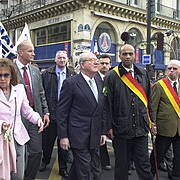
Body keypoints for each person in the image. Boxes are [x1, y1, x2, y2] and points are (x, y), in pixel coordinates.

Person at [0, 58, 44, 180]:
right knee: (1, 177)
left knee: (18, 176)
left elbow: (27, 111)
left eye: (6, 75)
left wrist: (38, 119)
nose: (2, 78)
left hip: (18, 139)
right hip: (0, 141)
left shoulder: (19, 89)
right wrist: (0, 124)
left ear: (12, 76)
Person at [103, 44, 154, 180]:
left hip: (141, 129)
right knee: (122, 166)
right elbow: (107, 104)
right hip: (121, 129)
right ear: (119, 56)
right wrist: (108, 127)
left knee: (144, 165)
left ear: (134, 55)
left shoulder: (143, 73)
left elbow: (149, 100)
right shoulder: (111, 76)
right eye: (124, 54)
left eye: (130, 54)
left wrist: (152, 121)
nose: (127, 56)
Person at [57, 52, 106, 179]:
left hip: (94, 134)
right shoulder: (71, 83)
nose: (96, 62)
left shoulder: (99, 81)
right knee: (85, 170)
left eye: (96, 60)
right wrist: (63, 136)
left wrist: (102, 132)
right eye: (92, 60)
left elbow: (102, 109)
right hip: (78, 135)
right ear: (82, 64)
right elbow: (62, 111)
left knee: (77, 168)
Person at [14, 40, 50, 180]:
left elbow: (41, 93)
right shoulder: (10, 70)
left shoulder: (35, 70)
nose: (33, 53)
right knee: (19, 154)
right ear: (20, 53)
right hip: (18, 118)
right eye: (30, 51)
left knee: (36, 152)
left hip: (35, 116)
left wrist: (45, 112)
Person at [40, 50, 76, 178]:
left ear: (67, 60)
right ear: (55, 60)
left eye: (64, 58)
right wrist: (45, 112)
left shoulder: (72, 74)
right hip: (50, 114)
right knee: (47, 142)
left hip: (66, 116)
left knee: (64, 144)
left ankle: (63, 168)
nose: (62, 60)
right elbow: (42, 94)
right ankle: (45, 161)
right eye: (59, 58)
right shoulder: (46, 74)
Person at [150, 60, 180, 179]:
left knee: (178, 156)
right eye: (169, 68)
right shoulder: (159, 85)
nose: (171, 71)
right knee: (158, 154)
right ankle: (150, 173)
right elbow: (153, 107)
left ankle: (176, 176)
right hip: (164, 127)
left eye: (174, 68)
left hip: (179, 128)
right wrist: (153, 124)